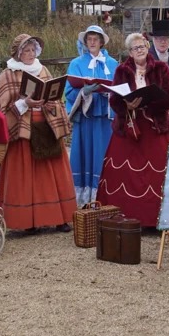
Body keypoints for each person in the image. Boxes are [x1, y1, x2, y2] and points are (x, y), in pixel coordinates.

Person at [0, 34, 77, 233]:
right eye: (26, 51)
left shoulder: (43, 69)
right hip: (24, 131)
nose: (30, 54)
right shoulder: (8, 73)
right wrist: (25, 103)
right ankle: (28, 221)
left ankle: (60, 217)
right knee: (26, 178)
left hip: (47, 128)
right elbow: (0, 107)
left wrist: (50, 102)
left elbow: (56, 98)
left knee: (54, 176)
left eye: (33, 50)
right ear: (18, 52)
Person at [96, 33, 169, 227]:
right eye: (134, 48)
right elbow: (114, 100)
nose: (139, 51)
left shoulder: (161, 68)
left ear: (147, 46)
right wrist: (128, 107)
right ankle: (125, 218)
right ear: (129, 52)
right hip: (129, 128)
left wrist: (150, 104)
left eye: (141, 46)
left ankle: (158, 219)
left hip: (154, 126)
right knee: (124, 174)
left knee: (158, 173)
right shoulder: (122, 70)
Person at [65, 25, 119, 207]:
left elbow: (121, 90)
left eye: (96, 39)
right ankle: (82, 200)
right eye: (89, 39)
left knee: (103, 156)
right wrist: (84, 91)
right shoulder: (76, 64)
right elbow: (69, 92)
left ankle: (104, 198)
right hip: (85, 119)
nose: (93, 42)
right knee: (84, 155)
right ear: (85, 42)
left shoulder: (112, 64)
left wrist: (110, 92)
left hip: (105, 119)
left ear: (102, 41)